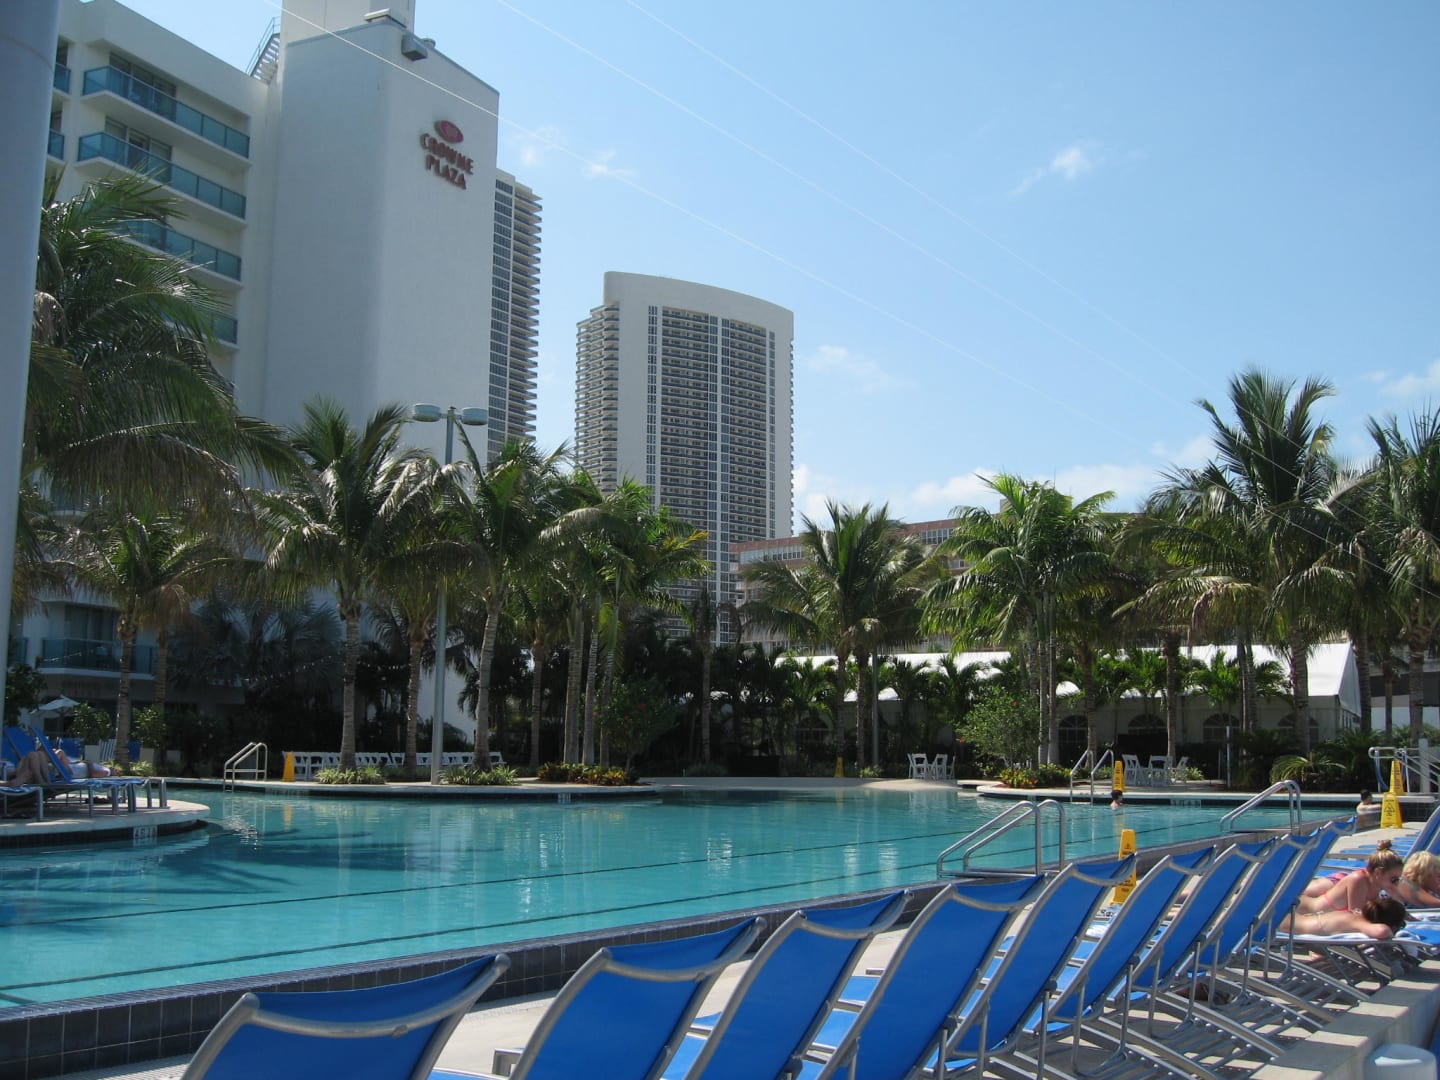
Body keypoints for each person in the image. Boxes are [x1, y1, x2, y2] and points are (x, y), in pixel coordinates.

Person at [1299, 843, 1403, 915]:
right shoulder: (1358, 880)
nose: (1396, 883)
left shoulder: (1376, 884)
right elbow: (1356, 914)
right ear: (1378, 872)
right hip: (1302, 910)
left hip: (1319, 913)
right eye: (1394, 879)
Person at [1282, 896, 1406, 939]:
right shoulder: (1361, 923)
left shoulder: (1357, 915)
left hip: (1289, 918)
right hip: (1282, 923)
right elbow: (1383, 931)